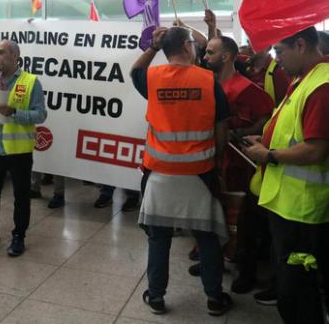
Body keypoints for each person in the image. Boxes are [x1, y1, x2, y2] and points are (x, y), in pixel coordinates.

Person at [130, 26, 232, 316]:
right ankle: (214, 298)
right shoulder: (208, 79)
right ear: (188, 47)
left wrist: (152, 47)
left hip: (160, 172)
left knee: (159, 238)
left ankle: (157, 297)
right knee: (207, 236)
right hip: (200, 172)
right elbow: (221, 125)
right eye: (193, 44)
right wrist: (219, 161)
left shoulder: (152, 77)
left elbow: (134, 70)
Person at [243, 26, 329, 324]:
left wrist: (269, 155)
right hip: (288, 204)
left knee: (297, 294)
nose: (276, 59)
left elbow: (315, 150)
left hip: (303, 210)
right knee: (291, 289)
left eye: (279, 51)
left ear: (301, 45)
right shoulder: (305, 80)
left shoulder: (321, 85)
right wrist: (264, 142)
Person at [202, 35, 275, 293]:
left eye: (211, 53)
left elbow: (266, 118)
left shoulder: (246, 88)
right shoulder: (205, 84)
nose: (205, 57)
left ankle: (246, 271)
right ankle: (213, 261)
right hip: (211, 160)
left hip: (239, 164)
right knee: (213, 212)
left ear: (226, 56)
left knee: (243, 220)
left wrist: (240, 134)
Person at [0, 39, 47, 257]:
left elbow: (40, 115)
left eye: (2, 52)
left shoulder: (31, 81)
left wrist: (14, 112)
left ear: (15, 56)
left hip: (18, 150)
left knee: (21, 195)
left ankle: (18, 236)